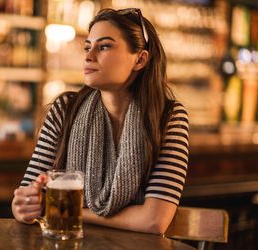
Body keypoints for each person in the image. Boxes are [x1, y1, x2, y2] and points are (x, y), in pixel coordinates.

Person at [11, 8, 189, 235]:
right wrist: (25, 206)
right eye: (87, 47)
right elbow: (26, 198)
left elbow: (154, 220)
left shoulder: (168, 117)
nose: (88, 56)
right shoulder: (65, 110)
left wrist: (65, 210)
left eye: (104, 46)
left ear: (140, 59)